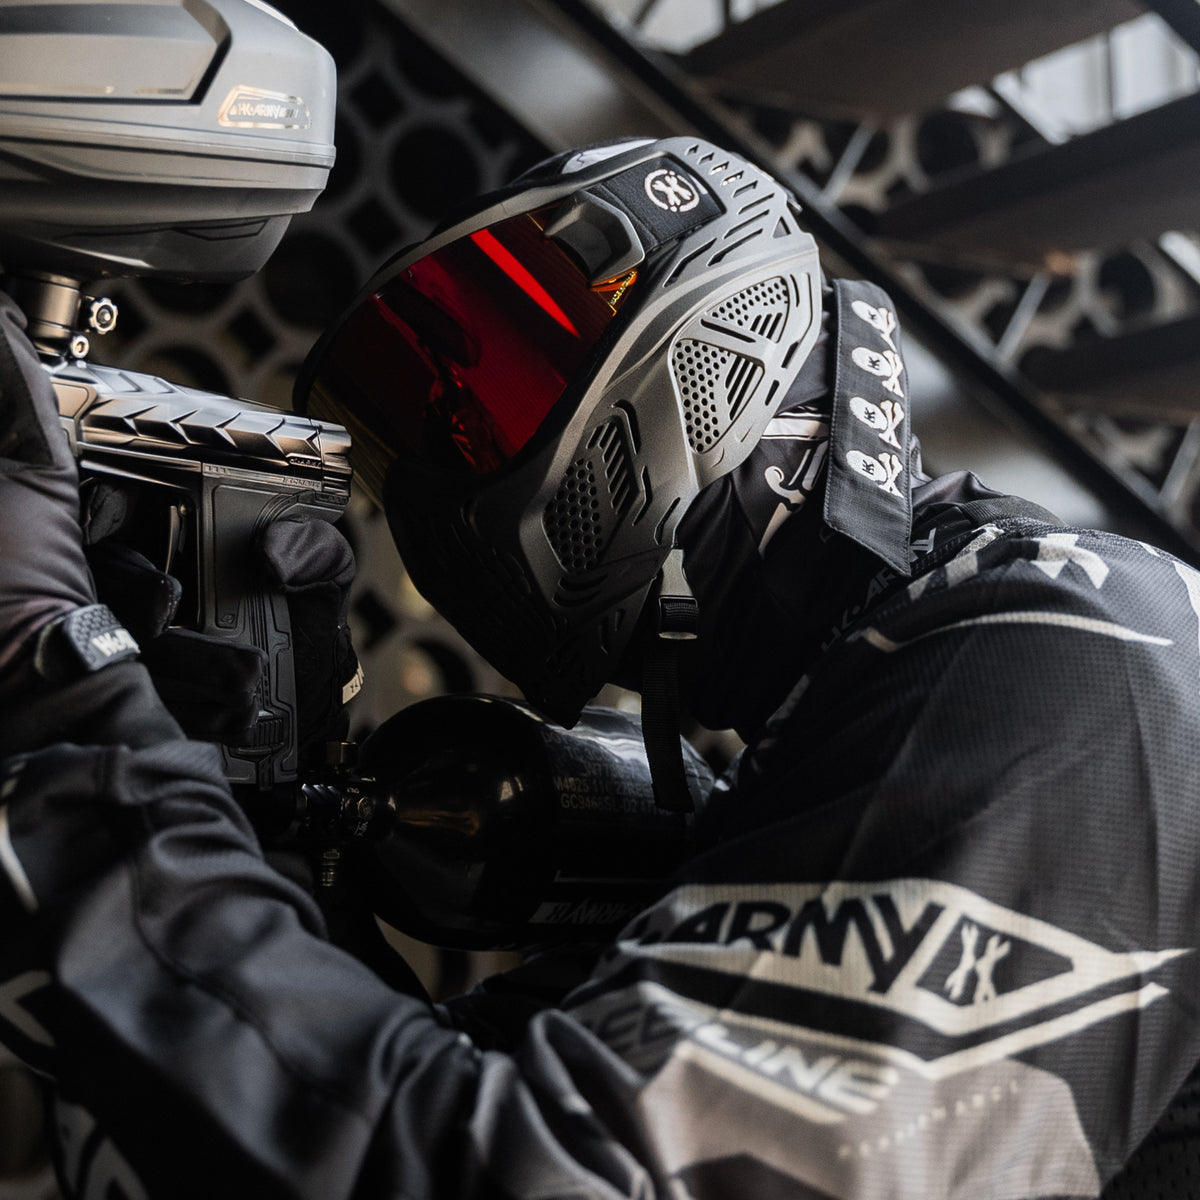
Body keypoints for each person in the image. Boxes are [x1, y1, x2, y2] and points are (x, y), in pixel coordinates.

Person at [0, 134, 1198, 1200]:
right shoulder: (823, 756)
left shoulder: (1074, 642)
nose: (439, 482)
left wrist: (58, 687)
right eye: (413, 437)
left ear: (722, 344)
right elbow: (330, 1124)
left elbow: (524, 1171)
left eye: (483, 397)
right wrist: (252, 839)